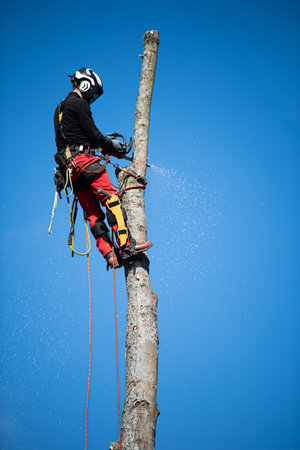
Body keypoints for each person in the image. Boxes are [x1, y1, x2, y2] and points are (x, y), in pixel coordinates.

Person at [53, 67, 152, 268]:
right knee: (112, 200)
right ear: (85, 84)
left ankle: (109, 254)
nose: (91, 96)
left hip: (69, 170)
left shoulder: (59, 108)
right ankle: (125, 245)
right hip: (85, 162)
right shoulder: (79, 103)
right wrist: (113, 146)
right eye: (92, 91)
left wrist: (102, 145)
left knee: (92, 212)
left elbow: (70, 139)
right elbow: (94, 135)